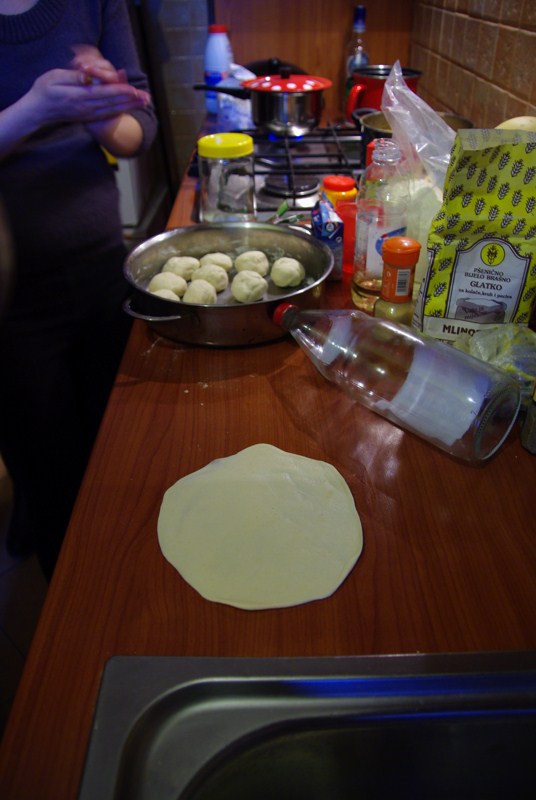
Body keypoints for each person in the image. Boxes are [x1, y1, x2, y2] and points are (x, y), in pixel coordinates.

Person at [0, 0, 158, 580]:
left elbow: (139, 129)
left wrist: (101, 112)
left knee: (114, 450)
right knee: (48, 473)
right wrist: (36, 108)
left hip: (100, 260)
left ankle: (119, 581)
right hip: (9, 289)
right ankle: (72, 599)